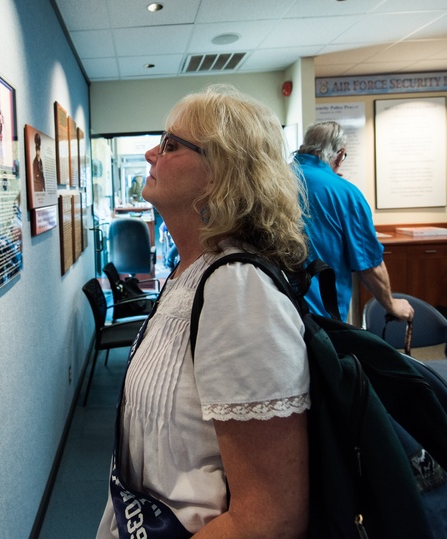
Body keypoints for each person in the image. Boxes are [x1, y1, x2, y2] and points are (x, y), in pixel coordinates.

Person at [95, 84, 310, 537]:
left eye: (171, 145)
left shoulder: (238, 288)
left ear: (221, 173)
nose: (152, 153)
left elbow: (268, 518)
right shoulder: (189, 270)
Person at [293, 121, 413, 323]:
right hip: (321, 317)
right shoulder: (345, 193)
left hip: (276, 309)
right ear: (340, 154)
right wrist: (391, 304)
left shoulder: (274, 181)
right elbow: (368, 264)